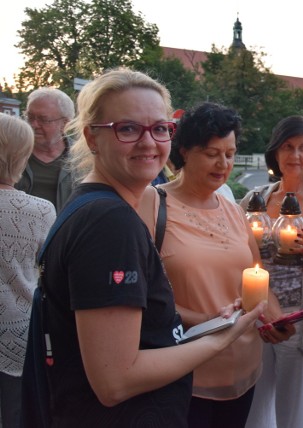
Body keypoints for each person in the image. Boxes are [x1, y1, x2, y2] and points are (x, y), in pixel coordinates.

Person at [30, 68, 264, 427]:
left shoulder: (94, 205)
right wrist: (220, 338)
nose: (148, 143)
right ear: (93, 138)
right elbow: (116, 380)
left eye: (159, 128)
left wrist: (211, 323)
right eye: (127, 128)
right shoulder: (110, 222)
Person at [138, 102, 289, 428]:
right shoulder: (151, 205)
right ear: (184, 152)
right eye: (211, 153)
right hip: (185, 371)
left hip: (243, 369)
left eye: (230, 154)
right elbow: (142, 297)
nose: (223, 164)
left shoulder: (233, 208)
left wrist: (273, 316)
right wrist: (210, 322)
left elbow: (255, 271)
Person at [241, 115, 303, 428]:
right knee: (254, 408)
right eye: (287, 147)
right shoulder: (256, 199)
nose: (295, 155)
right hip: (258, 315)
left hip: (299, 322)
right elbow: (236, 253)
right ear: (275, 152)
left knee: (293, 413)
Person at [0, 114, 56, 428]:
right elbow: (51, 275)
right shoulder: (40, 211)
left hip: (19, 334)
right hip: (20, 332)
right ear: (22, 156)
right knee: (17, 416)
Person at [16, 87, 75, 211]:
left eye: (43, 119)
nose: (34, 125)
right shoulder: (11, 153)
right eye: (30, 117)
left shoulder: (82, 160)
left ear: (65, 123)